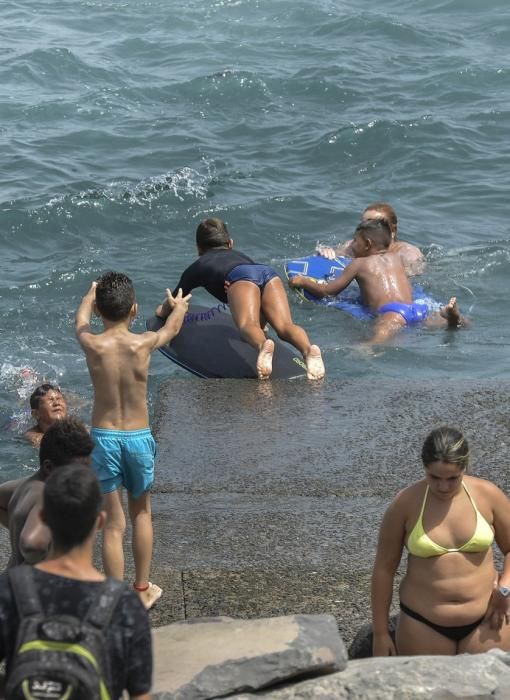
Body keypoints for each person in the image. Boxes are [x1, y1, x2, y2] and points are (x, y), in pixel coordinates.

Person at [75, 271, 191, 609]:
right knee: (142, 514)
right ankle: (141, 590)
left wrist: (90, 293)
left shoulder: (93, 344)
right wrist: (178, 305)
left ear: (99, 311)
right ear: (134, 310)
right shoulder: (143, 343)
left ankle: (112, 596)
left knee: (113, 523)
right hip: (138, 439)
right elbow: (172, 329)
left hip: (104, 439)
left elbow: (80, 321)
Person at [0, 464, 152, 699]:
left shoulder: (11, 588)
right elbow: (139, 695)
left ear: (43, 517)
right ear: (100, 521)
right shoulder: (123, 604)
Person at [371, 426, 510, 657]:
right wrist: (380, 633)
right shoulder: (405, 503)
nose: (443, 487)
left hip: (487, 618)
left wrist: (505, 589)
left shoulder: (488, 495)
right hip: (422, 623)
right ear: (424, 467)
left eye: (452, 478)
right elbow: (384, 570)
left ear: (465, 467)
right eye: (434, 477)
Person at [155, 218, 325, 380]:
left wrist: (161, 312)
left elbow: (173, 302)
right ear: (230, 244)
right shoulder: (240, 255)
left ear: (198, 248)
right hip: (267, 272)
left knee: (246, 326)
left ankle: (262, 347)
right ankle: (308, 351)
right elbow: (257, 296)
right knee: (285, 326)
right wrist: (262, 325)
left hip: (239, 277)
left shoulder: (197, 267)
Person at [289, 219, 467, 345]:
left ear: (367, 243)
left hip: (392, 313)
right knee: (436, 324)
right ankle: (453, 318)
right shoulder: (396, 258)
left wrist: (303, 281)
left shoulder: (358, 263)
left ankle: (368, 348)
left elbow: (328, 291)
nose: (352, 246)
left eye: (355, 242)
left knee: (379, 337)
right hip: (416, 308)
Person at [0, 416, 94, 569]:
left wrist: (19, 525)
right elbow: (33, 545)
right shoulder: (48, 495)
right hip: (34, 588)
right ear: (49, 467)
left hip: (11, 580)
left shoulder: (22, 485)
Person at [317, 202, 425, 276]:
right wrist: (326, 252)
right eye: (364, 224)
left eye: (374, 225)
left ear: (393, 230)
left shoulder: (407, 254)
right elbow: (335, 254)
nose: (367, 229)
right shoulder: (353, 245)